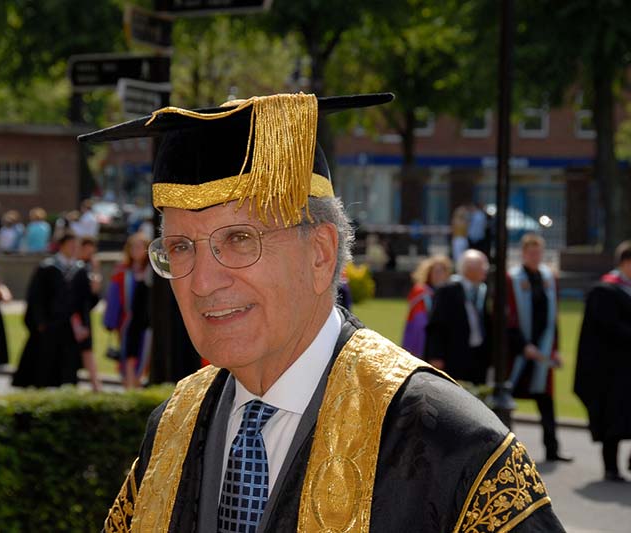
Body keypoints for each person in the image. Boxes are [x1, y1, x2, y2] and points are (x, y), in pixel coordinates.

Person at [81, 92, 563, 531]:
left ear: (320, 253)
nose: (203, 282)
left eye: (240, 239)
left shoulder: (450, 444)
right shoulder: (174, 424)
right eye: (181, 247)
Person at [507, 234, 570, 463]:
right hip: (518, 352)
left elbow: (553, 318)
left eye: (538, 252)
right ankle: (506, 453)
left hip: (542, 349)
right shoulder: (512, 279)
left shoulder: (548, 278)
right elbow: (509, 318)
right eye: (531, 253)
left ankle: (552, 449)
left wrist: (554, 349)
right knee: (507, 399)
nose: (535, 257)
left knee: (546, 400)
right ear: (523, 254)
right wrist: (524, 346)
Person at [575, 240, 631, 482]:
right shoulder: (605, 290)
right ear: (626, 262)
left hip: (627, 367)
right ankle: (611, 467)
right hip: (612, 369)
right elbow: (608, 328)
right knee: (614, 418)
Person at [12, 231, 81, 388]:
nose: (74, 249)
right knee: (43, 358)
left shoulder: (78, 268)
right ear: (62, 246)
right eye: (71, 245)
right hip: (49, 322)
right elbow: (35, 297)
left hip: (67, 324)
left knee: (65, 359)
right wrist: (39, 321)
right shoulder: (47, 267)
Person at [425, 248, 491, 385]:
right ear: (468, 269)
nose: (486, 270)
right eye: (481, 266)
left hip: (478, 355)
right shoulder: (447, 290)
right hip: (454, 355)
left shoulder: (483, 290)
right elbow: (436, 325)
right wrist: (435, 355)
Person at [103, 232, 150, 389]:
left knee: (146, 355)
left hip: (148, 323)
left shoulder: (154, 271)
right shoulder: (122, 271)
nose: (136, 250)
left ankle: (137, 384)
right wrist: (110, 321)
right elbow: (113, 298)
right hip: (128, 321)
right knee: (128, 355)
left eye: (140, 247)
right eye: (133, 247)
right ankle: (129, 387)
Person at [401, 254, 452, 358]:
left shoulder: (451, 293)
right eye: (436, 271)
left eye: (442, 271)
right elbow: (419, 324)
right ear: (429, 273)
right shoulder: (421, 293)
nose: (439, 275)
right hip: (422, 345)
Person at [71, 236, 103, 392]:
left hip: (83, 313)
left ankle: (95, 384)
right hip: (73, 313)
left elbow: (94, 293)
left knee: (87, 349)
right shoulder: (74, 266)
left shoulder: (89, 266)